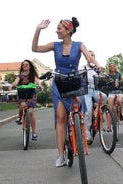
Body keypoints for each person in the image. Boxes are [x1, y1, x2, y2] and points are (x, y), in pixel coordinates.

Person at [32, 17, 104, 167]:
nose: (56, 31)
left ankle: (79, 134)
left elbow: (89, 57)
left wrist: (98, 65)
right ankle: (60, 156)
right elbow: (35, 48)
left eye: (59, 28)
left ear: (68, 31)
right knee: (60, 117)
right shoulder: (55, 45)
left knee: (78, 113)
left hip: (74, 81)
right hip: (59, 82)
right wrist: (38, 29)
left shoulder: (79, 45)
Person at [9, 59, 43, 141]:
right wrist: (12, 85)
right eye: (23, 65)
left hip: (31, 94)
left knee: (31, 112)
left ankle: (34, 132)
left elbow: (37, 81)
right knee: (22, 106)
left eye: (26, 64)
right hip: (22, 93)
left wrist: (40, 86)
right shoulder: (20, 76)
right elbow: (16, 82)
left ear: (29, 66)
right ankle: (19, 117)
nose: (25, 66)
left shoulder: (32, 75)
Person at [84, 50, 107, 145]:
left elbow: (103, 74)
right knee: (88, 112)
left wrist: (106, 75)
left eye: (93, 55)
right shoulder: (82, 68)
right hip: (86, 91)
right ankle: (87, 135)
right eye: (89, 55)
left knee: (104, 97)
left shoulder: (96, 69)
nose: (91, 57)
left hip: (95, 90)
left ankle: (100, 113)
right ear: (86, 57)